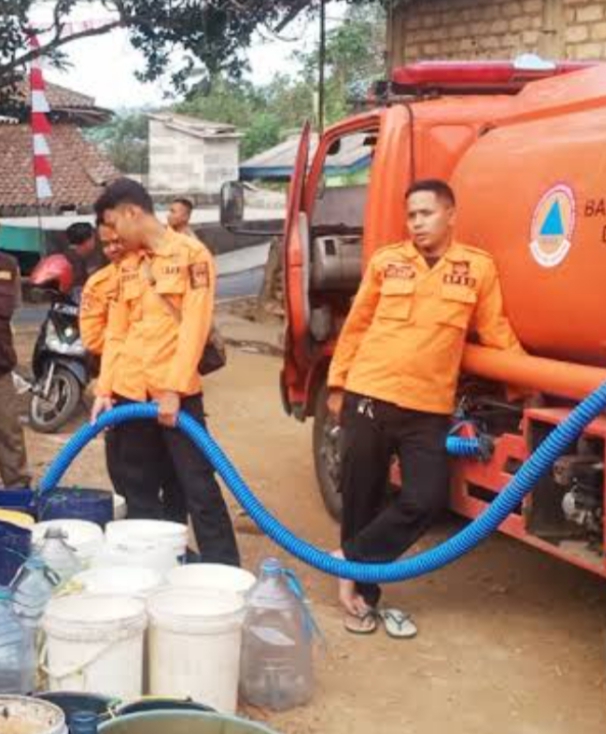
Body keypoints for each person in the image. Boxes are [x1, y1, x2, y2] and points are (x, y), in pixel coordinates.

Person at [327, 179, 523, 636]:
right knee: (362, 498)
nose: (416, 223)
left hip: (428, 406)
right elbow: (356, 326)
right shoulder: (387, 262)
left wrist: (526, 386)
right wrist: (337, 385)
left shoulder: (476, 268)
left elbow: (496, 330)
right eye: (411, 215)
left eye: (426, 214)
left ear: (451, 215)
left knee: (426, 499)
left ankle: (347, 560)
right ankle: (362, 597)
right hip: (370, 395)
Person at [91, 178, 239, 566]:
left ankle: (225, 574)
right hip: (130, 397)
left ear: (132, 212)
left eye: (114, 225)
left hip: (177, 399)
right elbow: (117, 333)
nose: (113, 237)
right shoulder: (127, 265)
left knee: (198, 490)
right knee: (138, 492)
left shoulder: (191, 255)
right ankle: (157, 569)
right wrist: (105, 390)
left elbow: (194, 327)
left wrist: (173, 390)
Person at [79, 223, 187, 524]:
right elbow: (93, 338)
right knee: (131, 474)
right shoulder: (99, 283)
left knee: (177, 474)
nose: (113, 248)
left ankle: (173, 536)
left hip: (167, 387)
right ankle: (143, 531)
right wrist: (130, 344)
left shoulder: (159, 270)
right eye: (106, 244)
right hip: (122, 389)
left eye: (118, 241)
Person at [0, 250, 31, 489]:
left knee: (10, 435)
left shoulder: (8, 265)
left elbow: (9, 314)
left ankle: (18, 496)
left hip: (0, 367)